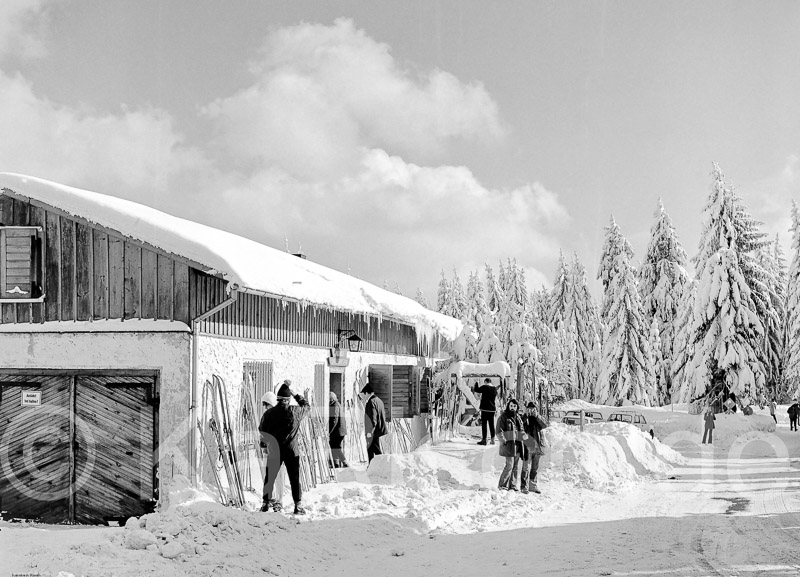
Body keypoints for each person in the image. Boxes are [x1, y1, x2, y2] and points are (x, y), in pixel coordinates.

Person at [258, 380, 311, 515]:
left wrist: (264, 445)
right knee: (294, 478)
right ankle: (298, 505)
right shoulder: (296, 412)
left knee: (270, 477)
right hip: (292, 451)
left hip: (274, 450)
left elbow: (263, 431)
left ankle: (265, 503)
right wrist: (295, 394)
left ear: (277, 399)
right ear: (288, 400)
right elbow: (306, 405)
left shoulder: (268, 414)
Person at [496, 398, 525, 491]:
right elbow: (499, 431)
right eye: (511, 406)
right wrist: (503, 440)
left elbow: (522, 429)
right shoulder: (503, 417)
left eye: (514, 406)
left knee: (515, 466)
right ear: (508, 406)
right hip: (509, 445)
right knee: (509, 465)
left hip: (518, 444)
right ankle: (502, 485)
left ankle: (512, 485)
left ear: (517, 407)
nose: (512, 408)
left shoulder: (518, 417)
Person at [521, 401, 548, 494]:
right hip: (527, 445)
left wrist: (537, 416)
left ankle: (533, 485)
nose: (531, 410)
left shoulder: (538, 417)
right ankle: (524, 486)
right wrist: (525, 415)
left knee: (534, 467)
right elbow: (519, 425)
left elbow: (545, 425)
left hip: (537, 445)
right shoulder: (524, 417)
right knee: (526, 467)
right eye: (530, 408)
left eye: (533, 409)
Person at [258, 391, 280, 508]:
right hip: (271, 449)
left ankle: (279, 501)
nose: (265, 407)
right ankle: (270, 498)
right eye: (264, 405)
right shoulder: (266, 416)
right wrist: (263, 445)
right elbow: (262, 431)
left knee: (279, 476)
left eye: (267, 404)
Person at [361, 383, 387, 463]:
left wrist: (370, 432)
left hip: (373, 431)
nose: (363, 397)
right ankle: (372, 466)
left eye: (363, 395)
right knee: (371, 449)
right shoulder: (379, 400)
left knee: (375, 449)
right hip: (378, 429)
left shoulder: (371, 402)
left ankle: (382, 464)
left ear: (366, 393)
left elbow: (373, 419)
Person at [473, 377, 498, 446]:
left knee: (484, 424)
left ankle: (484, 439)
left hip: (484, 409)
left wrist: (476, 382)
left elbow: (476, 389)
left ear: (486, 382)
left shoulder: (484, 387)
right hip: (492, 409)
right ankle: (493, 440)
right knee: (491, 424)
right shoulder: (494, 389)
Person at [328, 391, 349, 468]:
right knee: (334, 446)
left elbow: (334, 419)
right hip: (339, 431)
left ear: (331, 398)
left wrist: (329, 431)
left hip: (338, 431)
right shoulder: (337, 404)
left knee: (336, 447)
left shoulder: (335, 405)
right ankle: (336, 464)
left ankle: (345, 463)